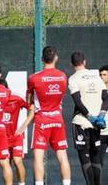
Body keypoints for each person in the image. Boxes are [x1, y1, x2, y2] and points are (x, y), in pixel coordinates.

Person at [21, 46, 72, 185]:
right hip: (57, 118)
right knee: (62, 155)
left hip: (42, 120)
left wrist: (31, 105)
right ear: (56, 57)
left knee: (38, 156)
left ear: (42, 59)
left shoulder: (34, 78)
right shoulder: (62, 76)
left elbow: (29, 99)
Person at [68, 52, 108, 185]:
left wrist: (90, 117)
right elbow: (106, 99)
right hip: (97, 124)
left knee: (84, 158)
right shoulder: (97, 76)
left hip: (81, 122)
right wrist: (101, 116)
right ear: (85, 62)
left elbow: (78, 102)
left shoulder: (73, 79)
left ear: (71, 64)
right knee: (95, 156)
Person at [0, 78, 28, 185]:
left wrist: (24, 126)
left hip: (16, 136)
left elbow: (32, 108)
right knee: (6, 164)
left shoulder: (16, 98)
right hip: (1, 138)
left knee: (17, 161)